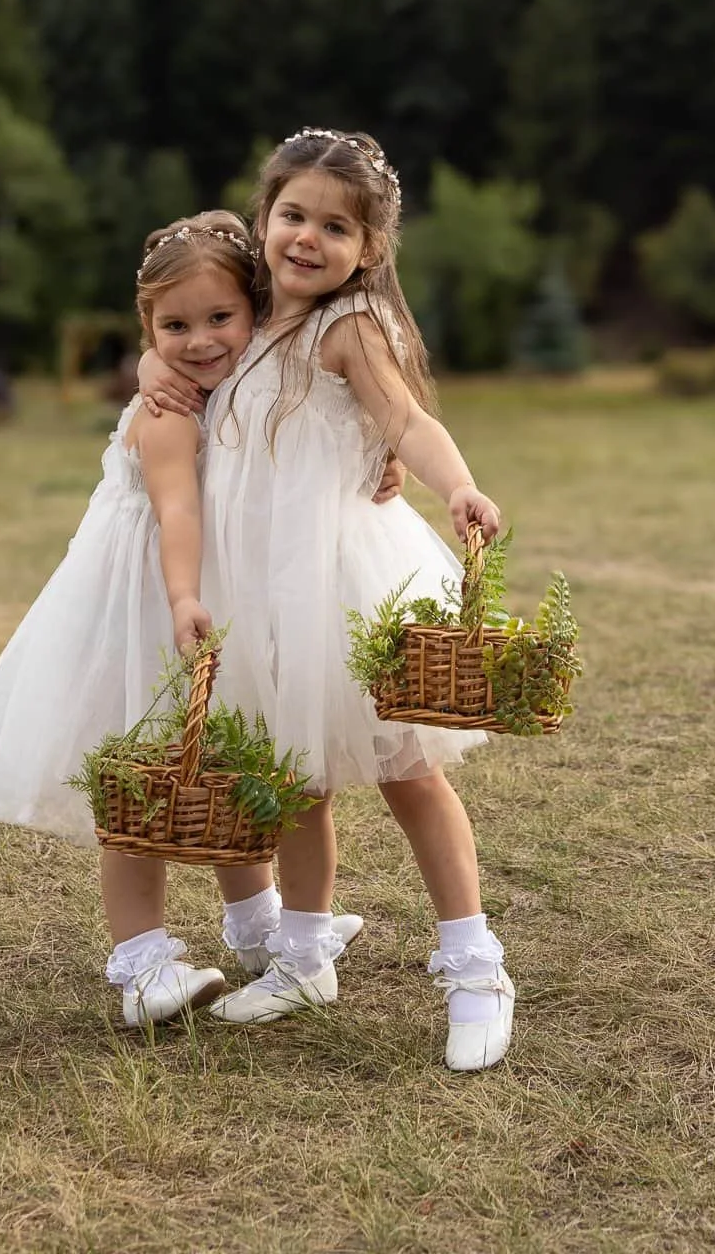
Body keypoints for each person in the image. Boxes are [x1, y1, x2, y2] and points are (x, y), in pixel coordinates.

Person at [140, 129, 511, 1072]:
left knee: (406, 771)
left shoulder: (347, 326)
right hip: (257, 584)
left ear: (368, 248)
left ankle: (473, 963)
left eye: (333, 226)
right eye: (292, 215)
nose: (306, 237)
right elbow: (175, 329)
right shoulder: (250, 310)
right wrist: (154, 367)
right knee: (294, 779)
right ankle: (302, 953)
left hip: (341, 578)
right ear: (263, 219)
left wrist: (454, 485)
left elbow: (406, 420)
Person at [0, 211, 370, 1028]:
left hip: (212, 593)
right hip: (148, 594)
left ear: (253, 313)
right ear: (145, 328)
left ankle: (257, 925)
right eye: (171, 327)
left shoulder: (250, 375)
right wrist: (184, 596)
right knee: (142, 782)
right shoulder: (171, 409)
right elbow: (177, 511)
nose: (199, 340)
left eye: (219, 318)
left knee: (227, 759)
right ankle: (142, 964)